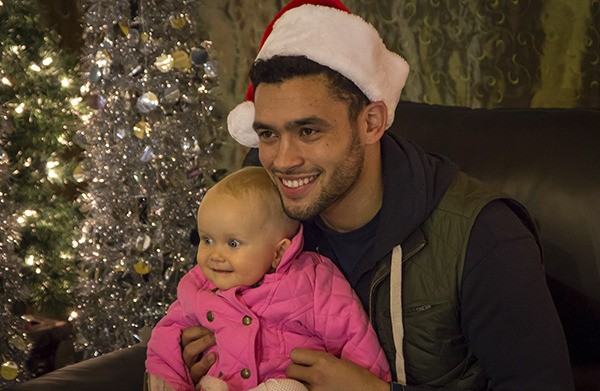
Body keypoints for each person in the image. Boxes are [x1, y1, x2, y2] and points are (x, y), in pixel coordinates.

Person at [181, 0, 575, 390]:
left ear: (371, 122)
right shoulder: (263, 213)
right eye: (268, 134)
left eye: (309, 131)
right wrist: (199, 353)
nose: (283, 161)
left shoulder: (486, 238)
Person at [145, 166, 391, 391]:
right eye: (206, 240)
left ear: (278, 251)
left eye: (233, 243)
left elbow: (353, 335)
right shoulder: (197, 287)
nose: (215, 255)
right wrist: (172, 381)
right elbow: (166, 336)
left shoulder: (311, 279)